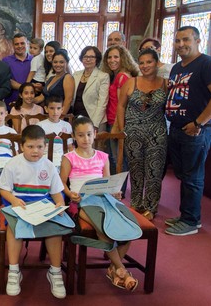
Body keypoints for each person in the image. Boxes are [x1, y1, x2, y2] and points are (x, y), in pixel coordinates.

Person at [60, 116, 138, 292]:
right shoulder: (69, 157)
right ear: (74, 136)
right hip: (81, 201)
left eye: (88, 134)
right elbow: (61, 183)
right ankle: (121, 270)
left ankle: (113, 269)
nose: (85, 139)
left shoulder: (102, 157)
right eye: (80, 135)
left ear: (94, 134)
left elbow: (107, 182)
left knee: (129, 226)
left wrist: (114, 192)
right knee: (102, 226)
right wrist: (70, 193)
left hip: (104, 198)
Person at [0, 125, 68, 298]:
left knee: (55, 229)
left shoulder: (49, 166)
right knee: (14, 229)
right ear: (22, 146)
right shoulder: (13, 164)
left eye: (40, 147)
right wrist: (13, 200)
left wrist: (59, 203)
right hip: (19, 206)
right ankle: (14, 271)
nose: (35, 151)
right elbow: (3, 190)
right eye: (30, 147)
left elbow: (56, 192)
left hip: (42, 205)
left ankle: (55, 272)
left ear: (45, 146)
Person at [164, 26, 211, 236]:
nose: (181, 44)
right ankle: (186, 214)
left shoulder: (208, 64)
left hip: (197, 129)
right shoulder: (177, 68)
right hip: (178, 128)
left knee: (193, 176)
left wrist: (198, 123)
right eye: (177, 41)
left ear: (198, 40)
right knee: (183, 173)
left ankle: (191, 220)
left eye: (186, 40)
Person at [116, 49, 167, 220]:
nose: (145, 66)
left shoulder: (165, 84)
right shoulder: (131, 82)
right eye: (142, 62)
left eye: (149, 62)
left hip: (157, 132)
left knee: (154, 170)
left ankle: (151, 207)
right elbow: (121, 106)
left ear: (156, 63)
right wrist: (123, 129)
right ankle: (136, 203)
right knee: (136, 169)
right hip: (133, 132)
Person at [102, 45, 138, 177]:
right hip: (114, 120)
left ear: (123, 58)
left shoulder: (122, 77)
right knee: (116, 158)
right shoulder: (119, 75)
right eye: (109, 57)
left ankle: (118, 192)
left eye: (116, 57)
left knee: (118, 160)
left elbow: (121, 104)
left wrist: (116, 127)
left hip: (117, 122)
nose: (112, 60)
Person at [72, 46, 110, 130]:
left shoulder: (103, 76)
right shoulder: (76, 75)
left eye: (92, 57)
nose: (88, 59)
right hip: (76, 117)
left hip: (94, 119)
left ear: (97, 59)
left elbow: (102, 102)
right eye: (85, 57)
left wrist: (95, 124)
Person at [37, 95, 73, 169]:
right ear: (46, 109)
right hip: (45, 157)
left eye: (58, 108)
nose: (55, 112)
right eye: (52, 108)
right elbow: (38, 146)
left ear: (62, 109)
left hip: (64, 157)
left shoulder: (67, 125)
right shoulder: (40, 126)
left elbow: (70, 146)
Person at [42, 49, 75, 115]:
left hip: (60, 116)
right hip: (49, 114)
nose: (58, 64)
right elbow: (42, 96)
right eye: (55, 62)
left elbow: (68, 100)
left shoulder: (68, 77)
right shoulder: (51, 78)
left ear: (67, 63)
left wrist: (60, 117)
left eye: (61, 62)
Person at [3, 33, 32, 106]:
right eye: (16, 44)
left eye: (22, 43)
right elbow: (6, 80)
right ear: (13, 45)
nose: (19, 46)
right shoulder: (6, 61)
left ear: (27, 44)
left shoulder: (34, 60)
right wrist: (25, 89)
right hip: (11, 103)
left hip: (31, 104)